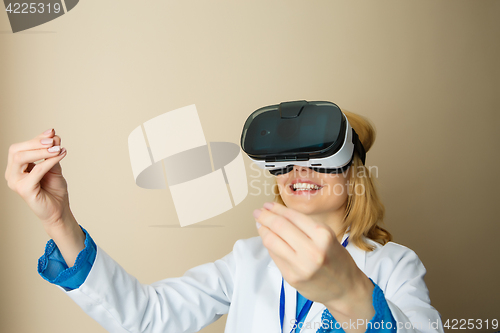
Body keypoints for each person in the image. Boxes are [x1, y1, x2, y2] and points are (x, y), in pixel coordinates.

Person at [4, 110, 444, 333]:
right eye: (287, 159)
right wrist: (59, 220)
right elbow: (145, 316)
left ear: (354, 171)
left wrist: (352, 296)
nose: (299, 170)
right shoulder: (248, 260)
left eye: (320, 157)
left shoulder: (395, 266)